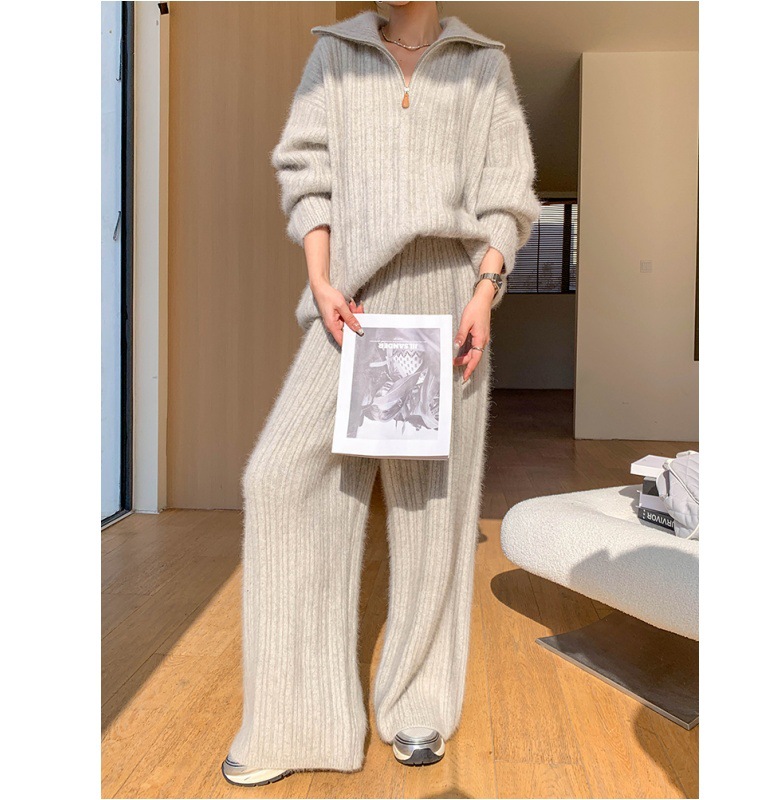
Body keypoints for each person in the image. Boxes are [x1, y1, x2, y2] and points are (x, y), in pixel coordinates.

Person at [222, 1, 541, 787]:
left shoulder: (484, 66)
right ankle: (297, 722)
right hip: (354, 304)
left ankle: (419, 704)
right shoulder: (334, 55)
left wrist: (484, 291)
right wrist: (321, 279)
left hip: (447, 302)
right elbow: (309, 175)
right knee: (280, 479)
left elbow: (508, 196)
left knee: (431, 511)